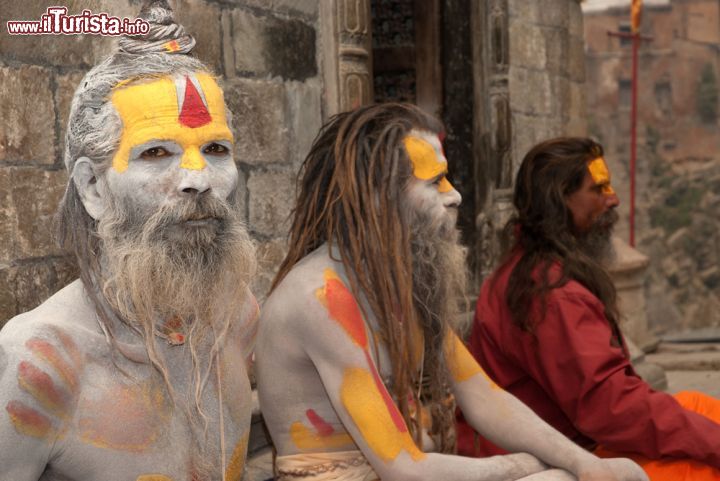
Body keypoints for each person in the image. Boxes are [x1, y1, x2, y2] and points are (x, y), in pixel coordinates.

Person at [255, 104, 647, 481]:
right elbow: (403, 469)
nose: (455, 195)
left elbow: (482, 396)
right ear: (378, 197)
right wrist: (526, 467)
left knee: (616, 472)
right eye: (435, 181)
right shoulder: (322, 297)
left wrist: (583, 463)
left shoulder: (396, 284)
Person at [0, 2, 258, 480]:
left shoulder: (236, 315)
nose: (197, 179)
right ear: (92, 188)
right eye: (156, 152)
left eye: (216, 149)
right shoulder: (39, 362)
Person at [456, 137, 720, 480]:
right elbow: (613, 409)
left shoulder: (535, 270)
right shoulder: (551, 294)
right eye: (599, 188)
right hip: (545, 461)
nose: (613, 199)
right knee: (701, 465)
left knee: (698, 406)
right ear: (560, 201)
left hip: (569, 441)